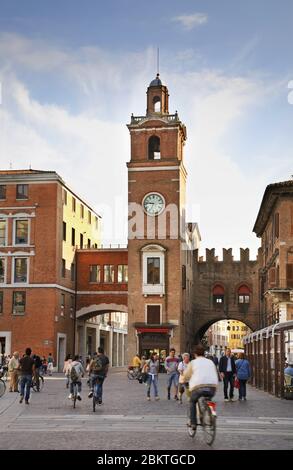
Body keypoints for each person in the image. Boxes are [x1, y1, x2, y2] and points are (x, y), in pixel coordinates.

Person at [183, 344, 218, 431]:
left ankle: (193, 423)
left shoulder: (193, 362)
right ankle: (211, 415)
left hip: (198, 387)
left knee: (192, 401)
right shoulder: (210, 362)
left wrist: (184, 380)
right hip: (212, 387)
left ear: (195, 354)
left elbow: (186, 375)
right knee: (208, 399)